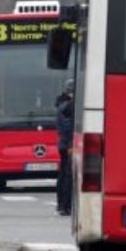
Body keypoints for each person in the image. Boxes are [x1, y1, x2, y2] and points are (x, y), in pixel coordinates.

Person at [55, 78, 74, 216]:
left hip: (64, 143)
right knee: (68, 175)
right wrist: (70, 144)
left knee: (63, 175)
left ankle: (61, 204)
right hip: (68, 144)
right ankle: (65, 205)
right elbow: (68, 126)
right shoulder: (68, 105)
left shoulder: (61, 103)